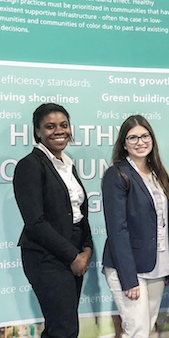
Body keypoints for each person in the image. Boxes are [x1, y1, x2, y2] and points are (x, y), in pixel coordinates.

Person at [13, 103, 93, 338]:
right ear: (38, 131)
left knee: (63, 327)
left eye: (64, 125)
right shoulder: (29, 166)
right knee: (63, 329)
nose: (59, 131)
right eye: (50, 127)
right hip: (46, 257)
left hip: (74, 252)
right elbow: (35, 222)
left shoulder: (67, 164)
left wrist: (87, 247)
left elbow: (78, 211)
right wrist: (73, 256)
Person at [102, 115, 169, 338]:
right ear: (123, 144)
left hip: (157, 265)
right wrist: (128, 278)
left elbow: (165, 221)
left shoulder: (158, 174)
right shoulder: (117, 175)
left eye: (144, 136)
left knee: (146, 326)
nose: (139, 142)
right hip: (129, 268)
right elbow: (117, 230)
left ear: (152, 139)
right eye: (132, 137)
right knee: (137, 330)